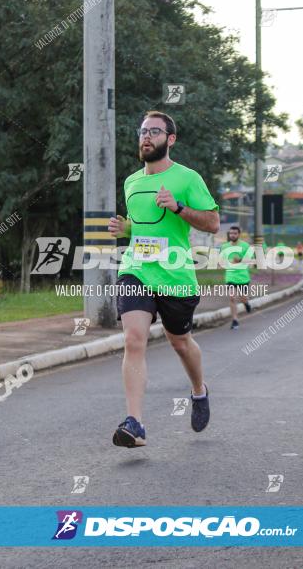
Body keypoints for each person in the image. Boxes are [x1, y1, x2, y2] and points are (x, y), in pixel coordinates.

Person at [107, 111, 219, 447]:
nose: (145, 137)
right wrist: (126, 229)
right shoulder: (131, 182)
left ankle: (199, 391)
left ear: (170, 139)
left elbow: (213, 223)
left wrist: (179, 208)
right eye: (142, 131)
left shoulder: (187, 178)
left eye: (154, 131)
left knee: (180, 343)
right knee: (134, 339)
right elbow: (141, 225)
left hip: (175, 275)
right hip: (136, 269)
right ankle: (135, 423)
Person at [220, 225, 252, 330]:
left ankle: (246, 303)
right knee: (232, 297)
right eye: (231, 233)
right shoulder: (224, 246)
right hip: (231, 276)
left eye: (234, 233)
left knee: (243, 298)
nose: (232, 235)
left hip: (243, 276)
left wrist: (240, 260)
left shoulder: (246, 246)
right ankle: (235, 320)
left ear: (239, 234)